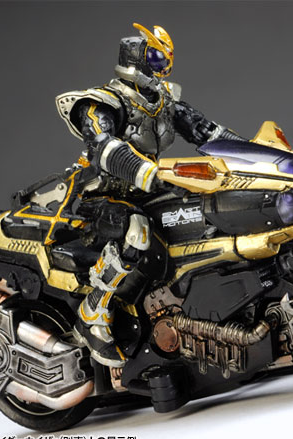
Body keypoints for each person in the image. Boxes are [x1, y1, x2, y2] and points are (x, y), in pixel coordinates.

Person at [56, 23, 243, 367]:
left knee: (202, 215)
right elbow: (102, 147)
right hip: (102, 196)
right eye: (156, 58)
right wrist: (149, 173)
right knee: (137, 232)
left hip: (148, 190)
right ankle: (93, 311)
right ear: (136, 58)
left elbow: (207, 132)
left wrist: (254, 155)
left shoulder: (165, 103)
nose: (163, 68)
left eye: (166, 60)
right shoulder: (101, 103)